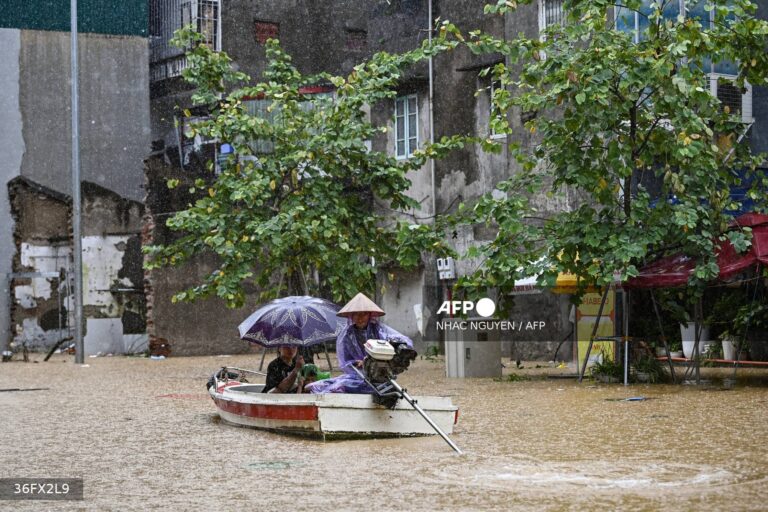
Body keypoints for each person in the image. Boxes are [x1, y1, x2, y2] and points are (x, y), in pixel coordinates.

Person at [305, 293, 413, 394]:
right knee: (321, 386)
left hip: (380, 374)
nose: (360, 318)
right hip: (357, 375)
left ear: (369, 315)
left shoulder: (378, 329)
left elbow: (399, 340)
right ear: (351, 315)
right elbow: (345, 362)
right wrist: (356, 363)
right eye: (356, 314)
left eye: (364, 314)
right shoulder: (347, 335)